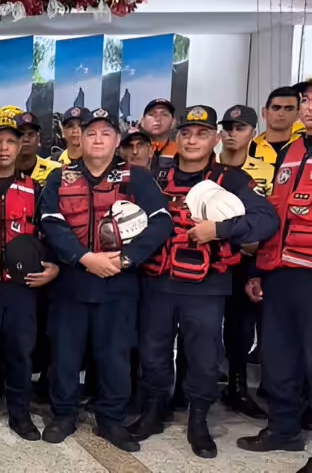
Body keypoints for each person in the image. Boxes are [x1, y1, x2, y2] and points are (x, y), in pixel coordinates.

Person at [128, 105, 277, 458]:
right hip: (157, 282)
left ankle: (198, 421)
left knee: (203, 357)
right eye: (186, 133)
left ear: (214, 138)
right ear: (176, 138)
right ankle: (153, 412)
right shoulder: (153, 176)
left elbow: (266, 220)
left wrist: (220, 229)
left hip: (206, 286)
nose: (193, 139)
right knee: (153, 353)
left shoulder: (233, 179)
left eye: (201, 133)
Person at [37, 108, 172, 452]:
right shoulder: (60, 177)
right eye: (90, 133)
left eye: (105, 133)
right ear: (79, 139)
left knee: (115, 356)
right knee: (65, 354)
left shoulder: (137, 177)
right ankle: (63, 415)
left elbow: (161, 222)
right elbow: (51, 222)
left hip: (119, 283)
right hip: (71, 282)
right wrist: (85, 258)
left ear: (116, 140)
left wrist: (127, 259)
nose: (97, 139)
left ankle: (111, 420)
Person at [0, 117, 59, 441]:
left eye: (10, 142)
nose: (3, 149)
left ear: (20, 146)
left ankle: (21, 415)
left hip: (23, 288)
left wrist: (55, 267)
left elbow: (52, 235)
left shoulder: (36, 189)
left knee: (21, 352)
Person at [239, 81, 312, 460]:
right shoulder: (293, 151)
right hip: (280, 272)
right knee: (279, 356)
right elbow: (276, 214)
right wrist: (260, 269)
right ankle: (284, 429)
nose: (308, 107)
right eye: (307, 100)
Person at [217, 104, 274, 419]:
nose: (232, 134)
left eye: (239, 128)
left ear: (253, 132)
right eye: (227, 128)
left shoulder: (268, 169)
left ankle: (237, 387)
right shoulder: (207, 168)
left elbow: (272, 216)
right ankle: (189, 385)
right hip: (211, 257)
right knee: (200, 326)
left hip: (248, 259)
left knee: (240, 326)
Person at [251, 85, 302, 164]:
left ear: (298, 114)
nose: (281, 113)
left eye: (289, 109)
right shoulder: (249, 148)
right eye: (276, 108)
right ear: (264, 112)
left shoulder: (306, 146)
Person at [13, 112, 60, 184]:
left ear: (38, 139)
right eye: (20, 134)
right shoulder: (3, 172)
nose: (26, 139)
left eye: (31, 134)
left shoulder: (55, 170)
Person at [139, 99, 177, 169]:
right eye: (151, 114)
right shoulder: (132, 149)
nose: (158, 119)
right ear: (142, 122)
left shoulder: (180, 151)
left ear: (173, 122)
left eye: (164, 115)